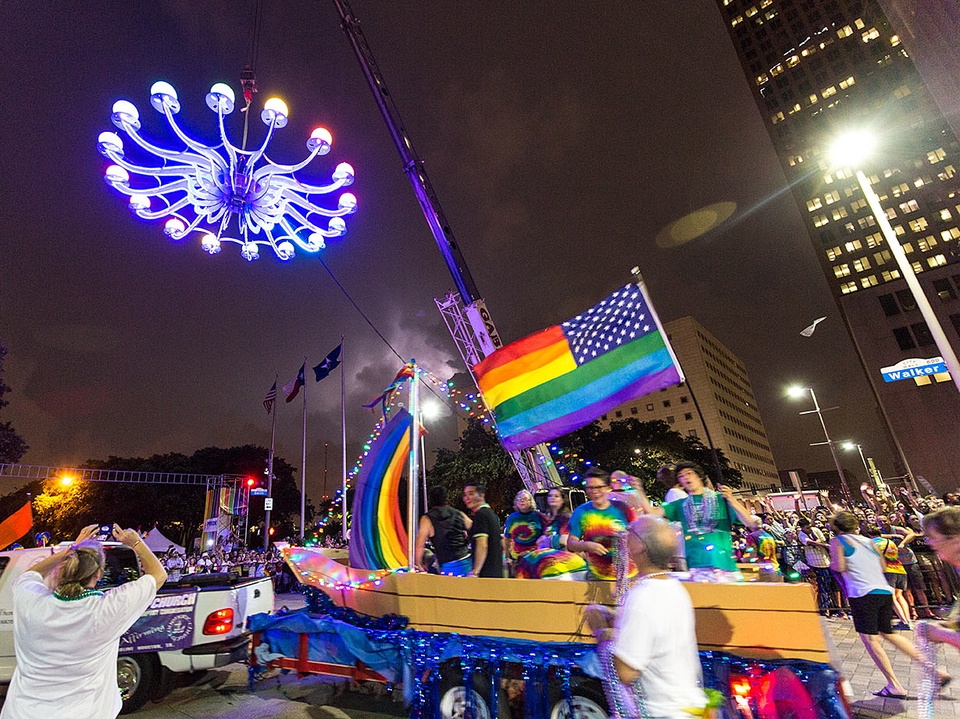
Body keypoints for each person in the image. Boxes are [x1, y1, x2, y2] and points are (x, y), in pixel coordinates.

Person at [1, 523, 167, 719]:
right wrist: (135, 542)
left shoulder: (30, 602)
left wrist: (68, 550)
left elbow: (29, 575)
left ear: (64, 570)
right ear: (98, 574)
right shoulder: (106, 611)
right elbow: (158, 575)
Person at [585, 516, 708, 718]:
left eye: (631, 531)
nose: (625, 535)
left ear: (641, 547)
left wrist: (600, 632)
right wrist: (619, 618)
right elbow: (656, 629)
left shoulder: (643, 597)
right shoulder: (673, 587)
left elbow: (625, 673)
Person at [828, 511, 948, 699]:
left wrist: (833, 564)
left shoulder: (838, 542)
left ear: (836, 526)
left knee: (870, 641)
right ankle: (935, 672)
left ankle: (894, 685)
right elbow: (883, 566)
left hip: (862, 593)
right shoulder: (870, 542)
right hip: (882, 590)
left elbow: (840, 566)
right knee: (889, 634)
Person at [635, 461, 759, 582]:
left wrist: (732, 500)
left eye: (689, 473)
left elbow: (750, 523)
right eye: (681, 476)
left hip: (725, 566)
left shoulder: (720, 499)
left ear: (699, 476)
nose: (685, 477)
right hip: (697, 567)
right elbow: (652, 512)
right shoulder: (681, 505)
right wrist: (639, 490)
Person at [566, 468, 637, 581]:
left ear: (608, 488)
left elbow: (638, 535)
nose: (594, 491)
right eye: (590, 488)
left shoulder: (622, 509)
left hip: (628, 573)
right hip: (598, 575)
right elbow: (571, 543)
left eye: (599, 487)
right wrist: (588, 545)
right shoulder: (581, 512)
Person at [415, 485, 472, 576]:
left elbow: (419, 544)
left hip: (447, 564)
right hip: (466, 561)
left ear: (430, 499)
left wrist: (418, 563)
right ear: (446, 498)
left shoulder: (427, 519)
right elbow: (474, 528)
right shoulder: (458, 513)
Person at [463, 483, 504, 578]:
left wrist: (475, 572)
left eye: (471, 493)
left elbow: (482, 544)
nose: (467, 498)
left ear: (481, 495)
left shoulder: (481, 515)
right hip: (495, 573)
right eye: (465, 495)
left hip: (486, 575)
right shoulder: (490, 514)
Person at [503, 490, 547, 575]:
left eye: (525, 499)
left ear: (531, 502)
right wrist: (506, 557)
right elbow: (507, 539)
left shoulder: (538, 516)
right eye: (519, 499)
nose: (522, 500)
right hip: (517, 559)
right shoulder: (512, 518)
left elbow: (547, 535)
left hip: (535, 557)